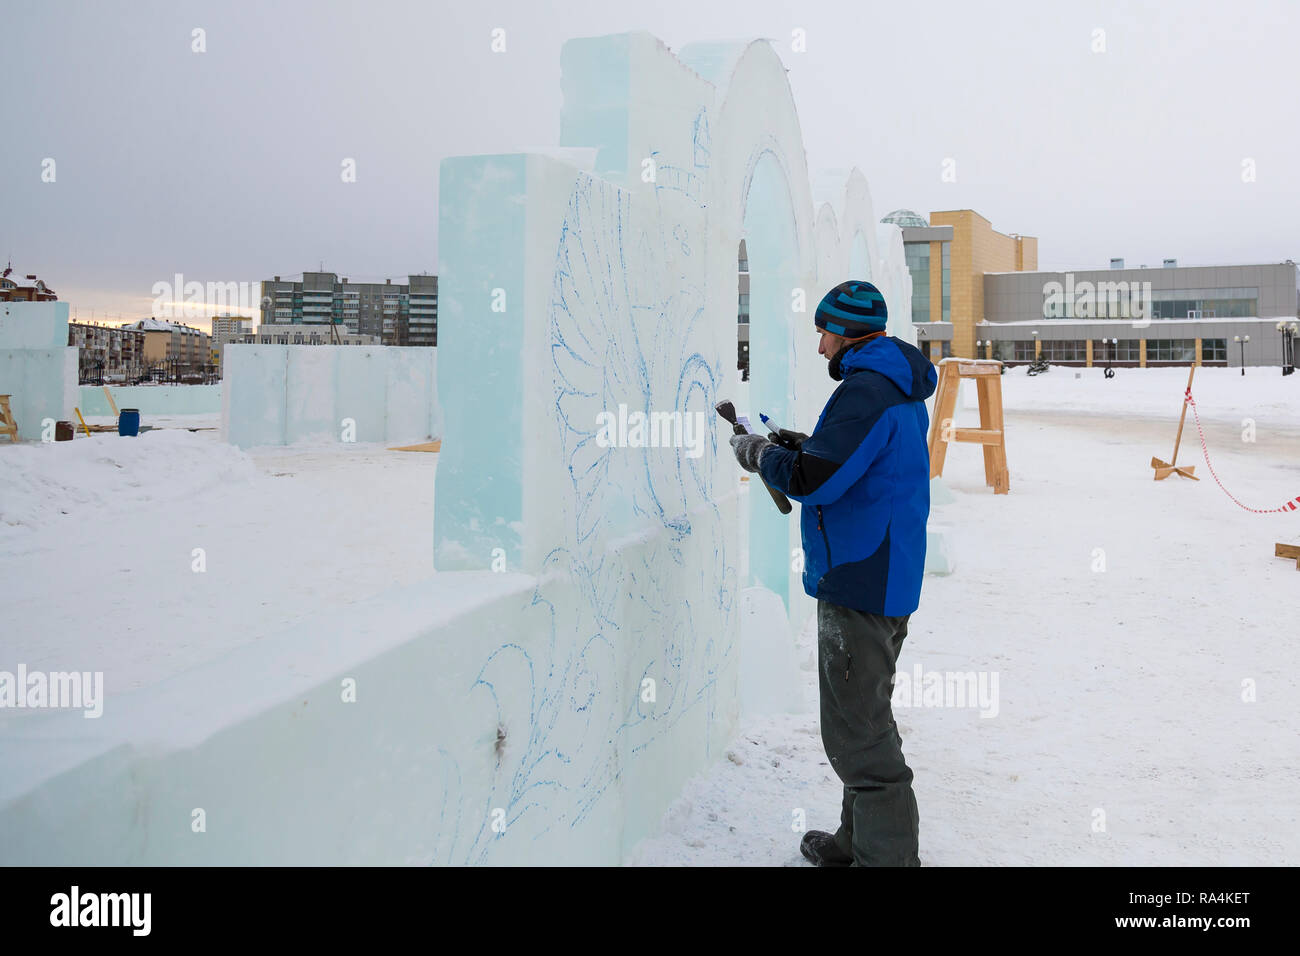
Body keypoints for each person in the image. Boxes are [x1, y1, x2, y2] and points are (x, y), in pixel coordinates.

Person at [728, 279, 937, 867]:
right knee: (857, 719)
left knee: (861, 734)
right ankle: (858, 843)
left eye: (823, 332)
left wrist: (762, 456)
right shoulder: (892, 385)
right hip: (880, 573)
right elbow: (853, 462)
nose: (820, 346)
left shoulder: (866, 391)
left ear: (846, 333)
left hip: (862, 579)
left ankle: (886, 860)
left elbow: (814, 480)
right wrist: (803, 445)